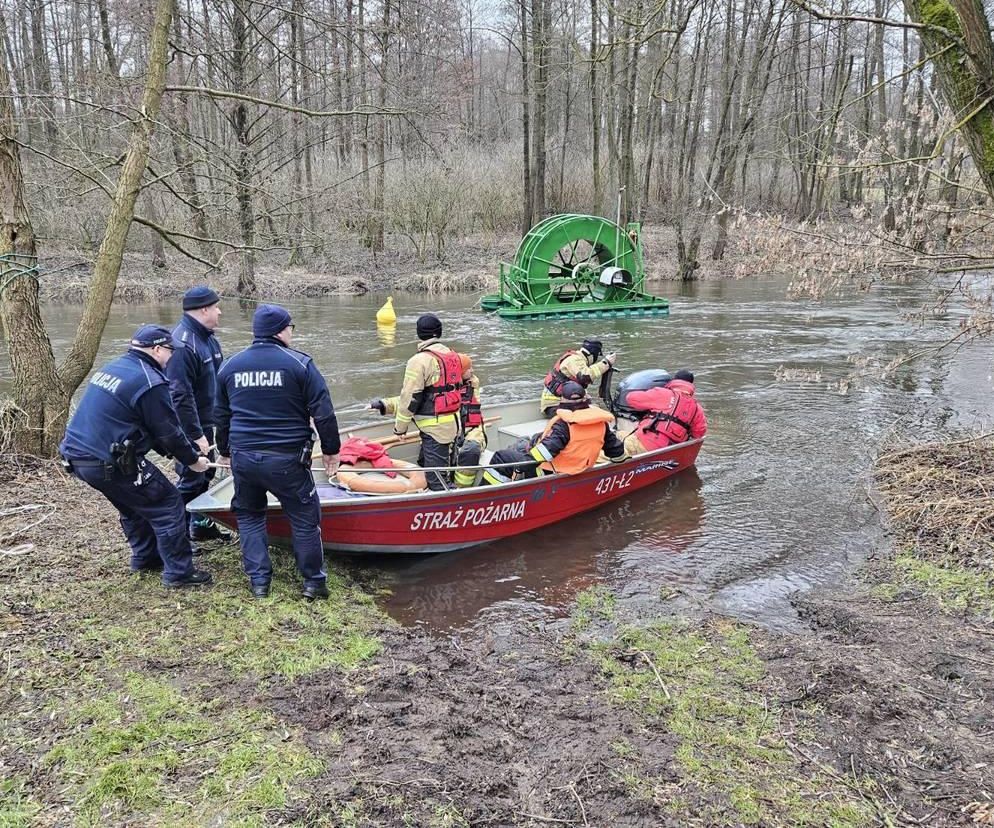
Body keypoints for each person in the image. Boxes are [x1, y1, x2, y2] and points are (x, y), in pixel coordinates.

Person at [59, 325, 212, 588]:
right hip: (108, 461)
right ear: (156, 349)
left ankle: (146, 557)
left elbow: (143, 426)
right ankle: (179, 574)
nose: (172, 356)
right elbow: (169, 431)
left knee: (133, 505)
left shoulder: (114, 367)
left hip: (77, 455)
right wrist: (193, 460)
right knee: (168, 504)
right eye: (170, 351)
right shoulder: (150, 381)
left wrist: (177, 452)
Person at [215, 304, 341, 600]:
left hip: (244, 456)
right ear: (282, 331)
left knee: (249, 516)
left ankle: (259, 583)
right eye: (290, 328)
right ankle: (313, 583)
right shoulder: (299, 364)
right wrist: (332, 450)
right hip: (287, 459)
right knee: (304, 518)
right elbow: (323, 413)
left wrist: (224, 451)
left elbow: (220, 415)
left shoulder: (230, 366)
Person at [167, 285, 229, 543]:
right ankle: (177, 538)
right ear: (204, 310)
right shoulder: (182, 345)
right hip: (190, 426)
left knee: (206, 475)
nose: (220, 312)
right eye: (216, 307)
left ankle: (200, 526)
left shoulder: (208, 339)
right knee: (191, 478)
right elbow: (179, 395)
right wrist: (194, 434)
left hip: (208, 421)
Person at [371, 352, 484, 488]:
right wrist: (384, 404)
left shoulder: (471, 385)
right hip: (450, 431)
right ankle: (436, 482)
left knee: (470, 451)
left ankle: (461, 489)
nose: (472, 371)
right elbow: (411, 400)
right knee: (430, 449)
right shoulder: (446, 388)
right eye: (469, 368)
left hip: (472, 432)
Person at [484, 381, 626, 484]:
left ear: (563, 399)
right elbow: (617, 452)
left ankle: (486, 498)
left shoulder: (564, 426)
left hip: (552, 472)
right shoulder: (601, 423)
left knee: (501, 457)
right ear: (585, 399)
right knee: (526, 442)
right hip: (579, 466)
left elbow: (542, 454)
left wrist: (521, 467)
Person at [391, 313, 464, 490]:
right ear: (439, 332)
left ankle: (448, 508)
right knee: (428, 465)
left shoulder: (419, 361)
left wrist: (400, 428)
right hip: (453, 424)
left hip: (434, 428)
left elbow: (410, 397)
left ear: (418, 333)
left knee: (437, 480)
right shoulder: (452, 355)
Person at [623, 369, 707, 456]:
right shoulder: (697, 408)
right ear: (691, 385)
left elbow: (630, 398)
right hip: (668, 452)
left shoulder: (662, 393)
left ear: (674, 380)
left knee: (618, 435)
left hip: (644, 444)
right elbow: (699, 433)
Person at [541, 338, 617, 416]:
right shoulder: (575, 360)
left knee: (594, 407)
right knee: (594, 413)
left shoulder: (577, 359)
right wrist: (606, 363)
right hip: (554, 406)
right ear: (592, 355)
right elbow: (585, 376)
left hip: (562, 403)